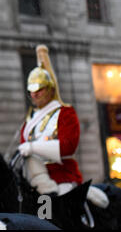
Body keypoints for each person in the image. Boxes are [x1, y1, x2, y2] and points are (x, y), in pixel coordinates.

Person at [18, 45, 108, 208]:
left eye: (39, 89)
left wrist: (32, 147)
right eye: (31, 90)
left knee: (66, 212)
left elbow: (68, 147)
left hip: (62, 177)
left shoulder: (65, 113)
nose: (34, 94)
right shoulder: (29, 120)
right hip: (32, 182)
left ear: (50, 89)